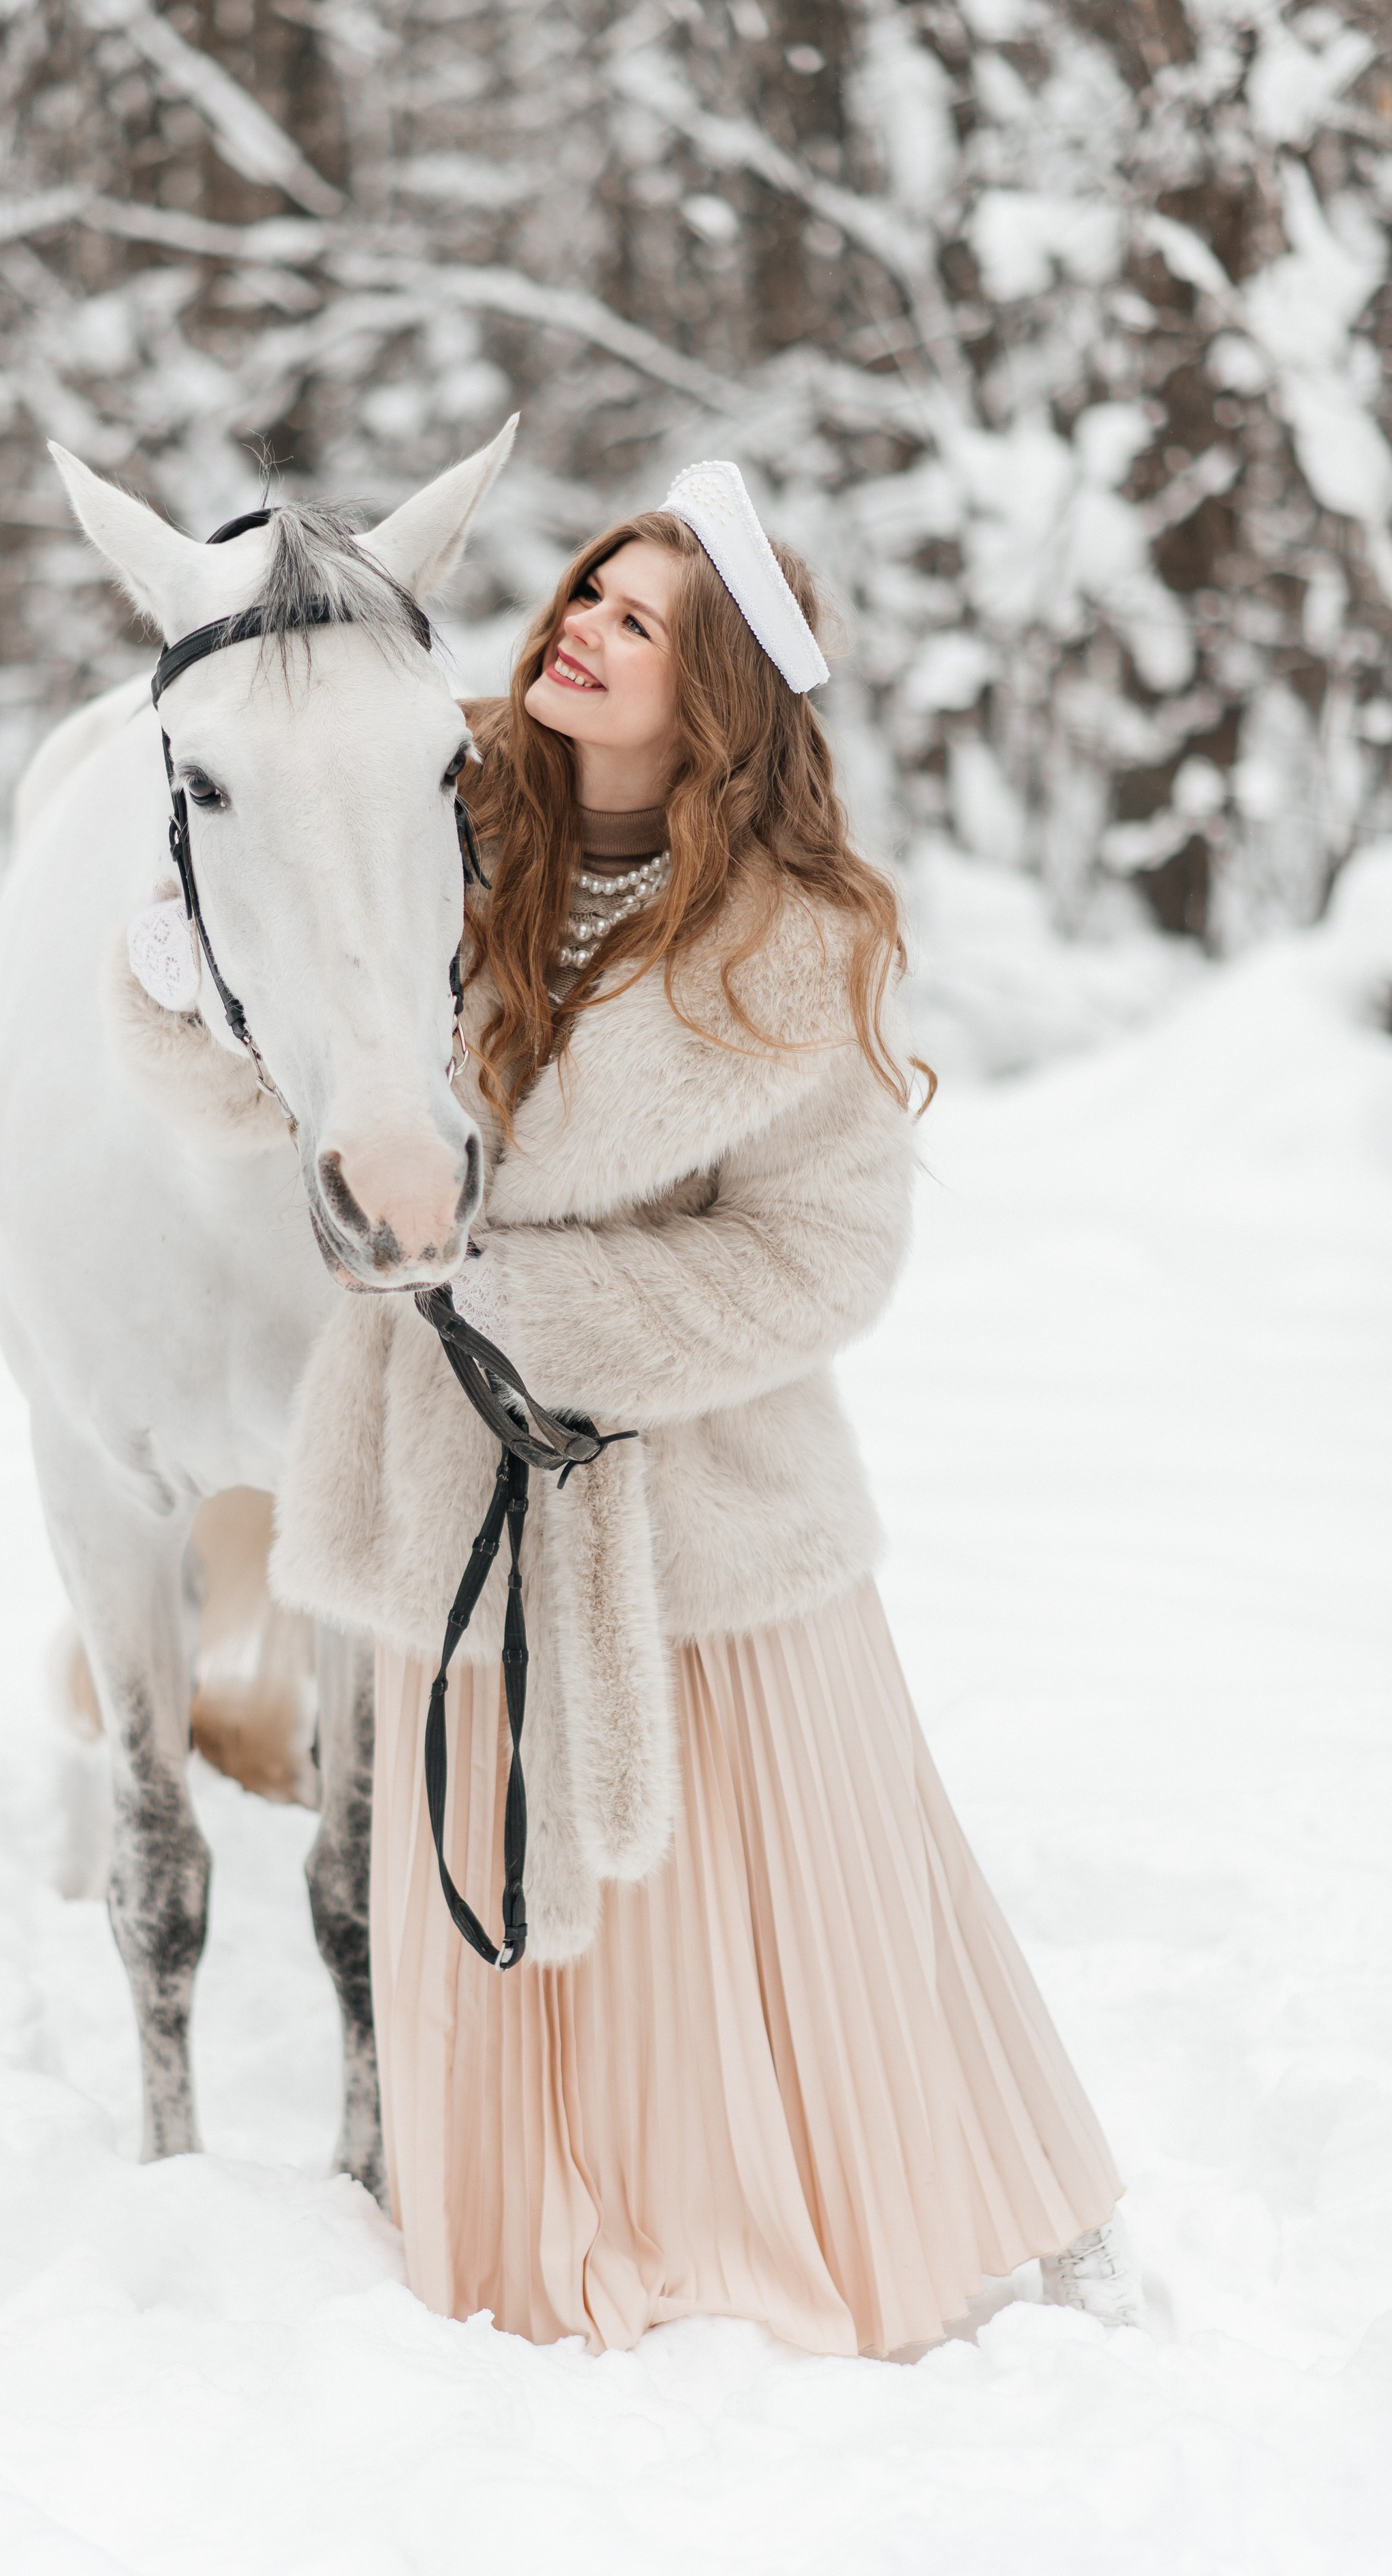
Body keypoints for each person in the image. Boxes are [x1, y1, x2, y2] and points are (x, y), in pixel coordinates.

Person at [273, 460, 1142, 2357]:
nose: (578, 624)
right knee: (502, 1879)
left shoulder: (792, 942)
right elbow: (273, 1041)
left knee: (799, 1934)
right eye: (588, 589)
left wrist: (527, 1304)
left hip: (705, 1528)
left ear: (719, 694)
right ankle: (525, 2228)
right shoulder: (426, 831)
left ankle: (801, 2227)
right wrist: (175, 981)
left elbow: (827, 1258)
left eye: (638, 617)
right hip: (458, 1509)